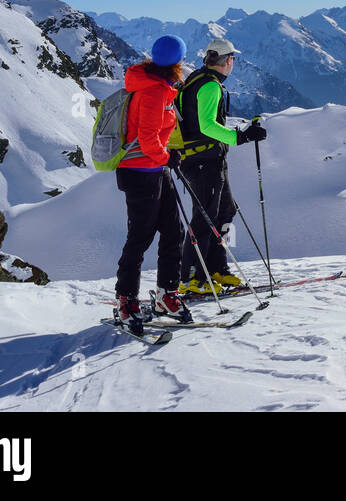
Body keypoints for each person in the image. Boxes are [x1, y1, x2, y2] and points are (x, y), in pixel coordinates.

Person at [114, 34, 193, 334]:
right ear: (176, 62)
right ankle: (126, 301)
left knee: (173, 231)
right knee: (140, 237)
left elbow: (154, 136)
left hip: (155, 168)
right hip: (140, 172)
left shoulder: (158, 87)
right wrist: (166, 155)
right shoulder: (153, 92)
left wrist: (165, 157)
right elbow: (147, 138)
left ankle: (166, 295)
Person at [176, 37, 267, 294]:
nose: (233, 63)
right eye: (233, 59)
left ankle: (216, 268)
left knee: (225, 211)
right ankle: (191, 277)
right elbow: (206, 125)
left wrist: (241, 135)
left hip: (205, 159)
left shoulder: (197, 78)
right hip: (203, 161)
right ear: (228, 60)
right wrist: (240, 137)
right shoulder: (210, 86)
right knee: (205, 218)